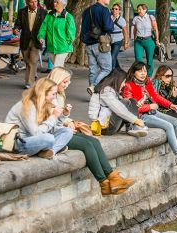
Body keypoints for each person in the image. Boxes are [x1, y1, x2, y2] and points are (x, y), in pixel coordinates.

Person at [46, 68, 136, 196]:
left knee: (94, 141)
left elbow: (59, 119)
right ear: (57, 80)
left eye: (68, 82)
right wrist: (66, 120)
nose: (67, 85)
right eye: (65, 82)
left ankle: (113, 178)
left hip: (61, 129)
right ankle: (104, 182)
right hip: (53, 134)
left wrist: (67, 118)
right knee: (87, 145)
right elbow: (47, 120)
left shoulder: (59, 95)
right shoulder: (48, 96)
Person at [121, 61, 177, 167]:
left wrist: (170, 105)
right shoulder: (128, 86)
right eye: (140, 71)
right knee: (169, 126)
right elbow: (129, 108)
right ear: (133, 72)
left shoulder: (147, 81)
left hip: (154, 112)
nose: (143, 73)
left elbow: (156, 96)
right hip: (142, 116)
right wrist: (149, 106)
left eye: (145, 71)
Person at [4, 79, 73, 158]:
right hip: (18, 144)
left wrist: (63, 115)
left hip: (34, 139)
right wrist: (53, 117)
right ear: (43, 93)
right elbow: (37, 133)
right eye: (53, 94)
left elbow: (52, 129)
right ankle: (51, 149)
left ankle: (50, 151)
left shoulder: (44, 104)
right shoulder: (26, 106)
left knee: (67, 131)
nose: (54, 98)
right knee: (49, 138)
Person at [88, 67, 148, 137]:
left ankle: (133, 127)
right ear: (118, 80)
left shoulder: (110, 90)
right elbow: (118, 109)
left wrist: (134, 105)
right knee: (125, 103)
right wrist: (136, 120)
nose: (124, 84)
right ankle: (133, 126)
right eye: (123, 81)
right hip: (103, 128)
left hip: (108, 124)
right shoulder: (105, 91)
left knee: (132, 101)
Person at [80, 0, 115, 95]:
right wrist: (111, 24)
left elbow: (83, 28)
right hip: (101, 44)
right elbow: (108, 27)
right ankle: (93, 87)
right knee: (107, 68)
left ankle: (93, 95)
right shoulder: (104, 10)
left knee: (93, 70)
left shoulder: (87, 10)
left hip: (88, 44)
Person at [14, 0, 47, 89]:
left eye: (36, 1)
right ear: (27, 2)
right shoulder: (22, 12)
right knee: (27, 60)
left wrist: (43, 36)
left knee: (33, 60)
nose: (34, 4)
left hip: (37, 40)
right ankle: (34, 73)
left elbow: (46, 26)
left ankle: (29, 82)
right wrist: (16, 29)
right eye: (32, 2)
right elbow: (18, 24)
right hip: (25, 39)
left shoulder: (43, 12)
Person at [37, 0, 75, 69]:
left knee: (57, 67)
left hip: (63, 47)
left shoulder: (68, 17)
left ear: (63, 5)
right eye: (54, 2)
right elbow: (43, 27)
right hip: (51, 46)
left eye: (57, 2)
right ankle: (65, 80)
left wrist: (66, 42)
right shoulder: (49, 15)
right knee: (58, 67)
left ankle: (55, 80)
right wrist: (41, 36)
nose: (54, 4)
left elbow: (71, 33)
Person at [130, 4, 158, 77]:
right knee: (138, 60)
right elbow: (135, 29)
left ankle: (148, 76)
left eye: (140, 9)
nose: (138, 11)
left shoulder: (150, 17)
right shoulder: (136, 18)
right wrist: (134, 38)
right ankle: (139, 75)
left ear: (145, 10)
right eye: (138, 9)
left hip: (149, 40)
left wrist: (157, 40)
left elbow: (155, 29)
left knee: (149, 61)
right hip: (139, 41)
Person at [108, 3, 128, 71]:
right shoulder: (108, 18)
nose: (114, 10)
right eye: (113, 9)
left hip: (118, 40)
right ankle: (119, 70)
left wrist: (126, 43)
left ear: (119, 10)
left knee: (112, 56)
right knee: (113, 56)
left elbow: (125, 32)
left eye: (116, 9)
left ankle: (112, 72)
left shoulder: (122, 20)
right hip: (109, 40)